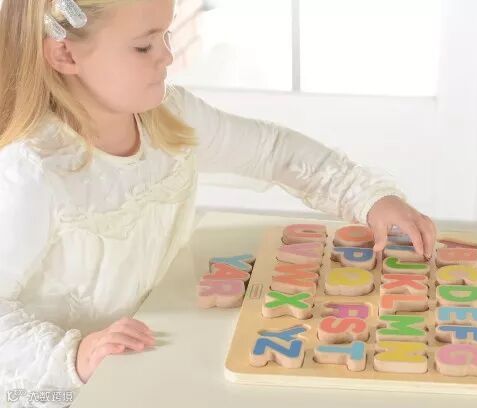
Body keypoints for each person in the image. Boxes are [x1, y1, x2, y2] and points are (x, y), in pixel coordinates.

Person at [0, 0, 436, 406]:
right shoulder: (30, 172)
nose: (166, 56)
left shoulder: (165, 117)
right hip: (64, 386)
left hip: (152, 341)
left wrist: (368, 197)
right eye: (144, 46)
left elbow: (273, 152)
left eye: (166, 36)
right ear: (65, 55)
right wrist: (74, 355)